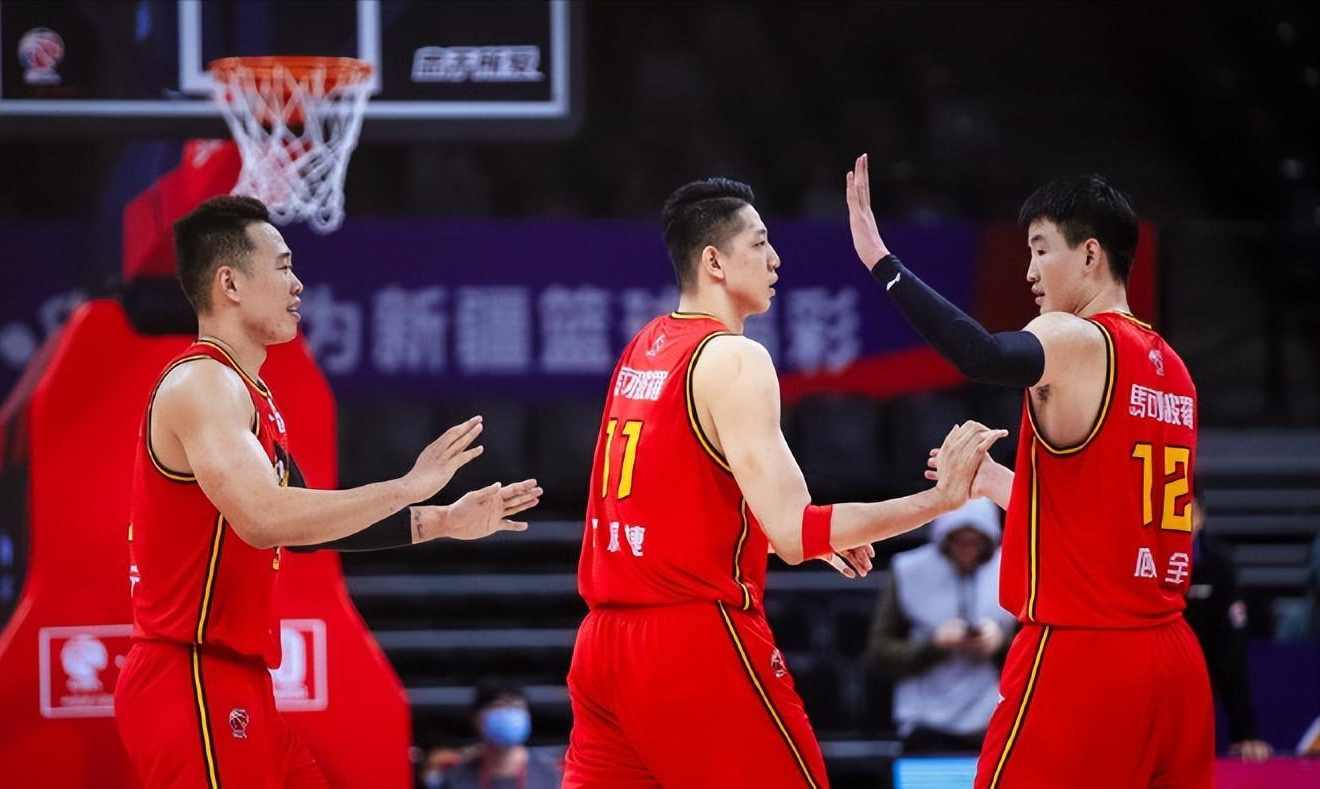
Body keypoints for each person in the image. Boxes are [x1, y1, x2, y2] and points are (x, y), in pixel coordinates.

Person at [562, 177, 1007, 788]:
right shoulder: (735, 358)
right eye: (760, 243)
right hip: (690, 640)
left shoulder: (644, 347)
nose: (775, 259)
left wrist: (787, 535)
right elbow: (797, 532)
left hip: (602, 646)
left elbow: (674, 508)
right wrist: (940, 498)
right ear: (714, 261)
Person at [113, 196, 543, 788]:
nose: (298, 284)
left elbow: (307, 530)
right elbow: (264, 519)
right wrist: (407, 486)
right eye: (283, 266)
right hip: (190, 674)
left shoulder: (249, 393)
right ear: (230, 283)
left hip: (237, 679)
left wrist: (440, 520)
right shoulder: (203, 384)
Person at [846, 154, 1215, 788]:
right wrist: (994, 483)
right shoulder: (1172, 369)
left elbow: (983, 354)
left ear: (1091, 254)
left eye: (1041, 250)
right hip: (1174, 659)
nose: (1029, 271)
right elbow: (1102, 521)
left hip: (1085, 652)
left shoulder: (1078, 338)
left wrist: (882, 262)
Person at [866, 498, 1015, 753]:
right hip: (925, 722)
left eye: (976, 543)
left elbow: (1039, 653)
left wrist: (1000, 644)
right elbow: (878, 653)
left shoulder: (1013, 567)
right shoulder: (909, 571)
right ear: (944, 539)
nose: (967, 551)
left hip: (993, 720)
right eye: (959, 542)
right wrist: (934, 645)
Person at [1185, 490, 1272, 762]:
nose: (1179, 520)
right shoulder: (1140, 560)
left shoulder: (1219, 566)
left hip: (1196, 690)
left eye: (1188, 511)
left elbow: (1230, 657)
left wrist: (1245, 732)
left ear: (1201, 516)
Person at [424, 679, 562, 789]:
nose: (508, 713)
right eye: (498, 706)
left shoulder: (552, 776)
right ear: (476, 718)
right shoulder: (455, 779)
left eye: (516, 706)